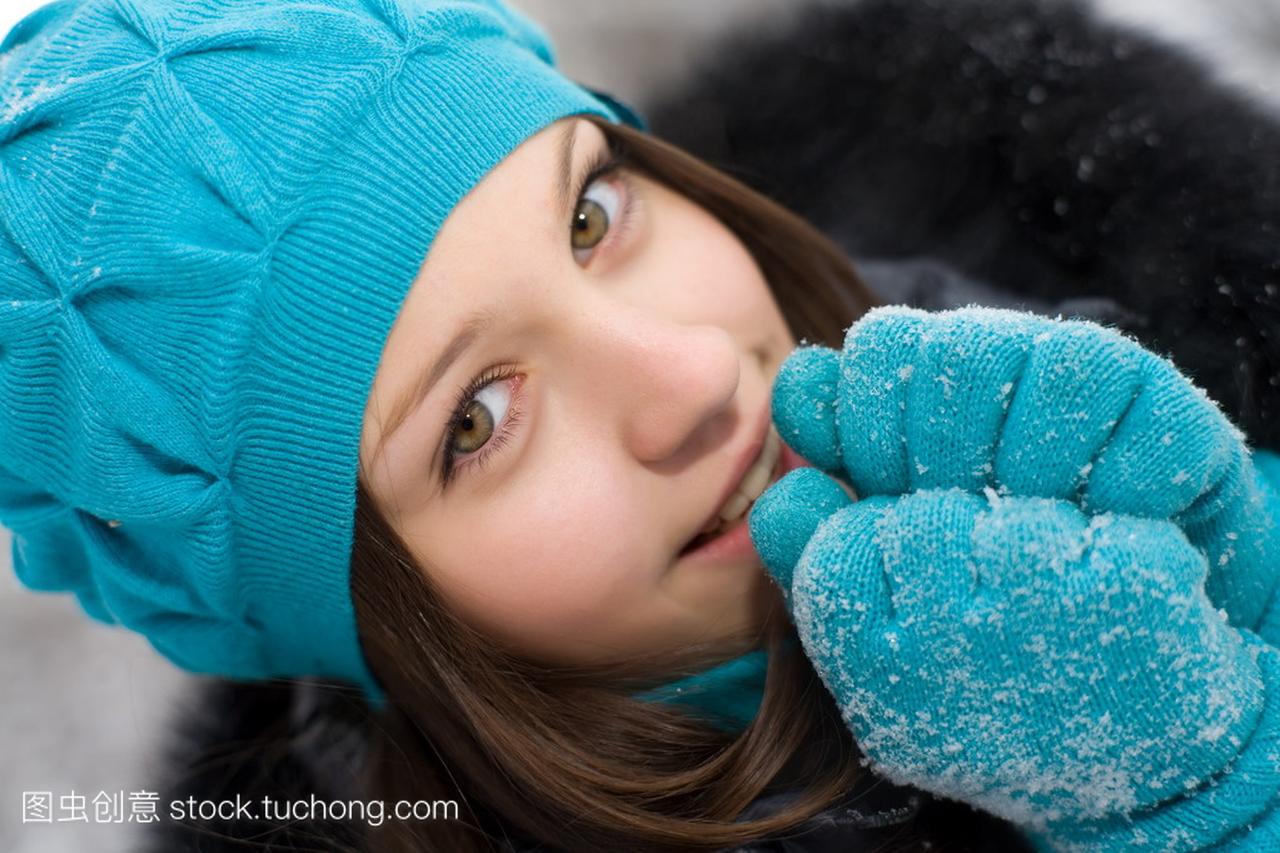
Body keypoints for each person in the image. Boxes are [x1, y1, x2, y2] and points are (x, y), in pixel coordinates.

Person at [1, 1, 1276, 851]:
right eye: (477, 419)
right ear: (351, 610)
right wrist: (1188, 799)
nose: (691, 380)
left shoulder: (1134, 287)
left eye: (591, 220)